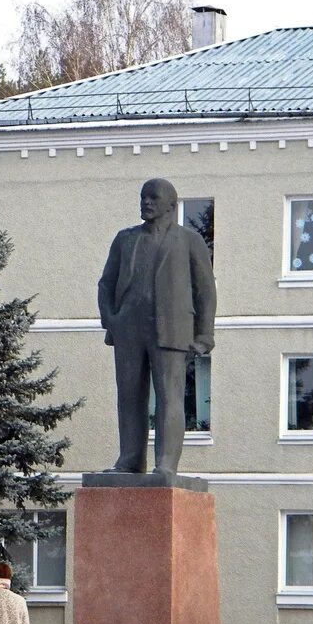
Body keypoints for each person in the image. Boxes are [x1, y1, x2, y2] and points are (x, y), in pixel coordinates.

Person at [97, 178, 217, 476]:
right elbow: (106, 283)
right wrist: (110, 319)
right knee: (129, 397)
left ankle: (165, 464)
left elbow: (205, 289)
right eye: (143, 197)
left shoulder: (189, 240)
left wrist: (204, 334)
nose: (146, 202)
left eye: (153, 197)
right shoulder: (125, 239)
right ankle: (130, 460)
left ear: (171, 206)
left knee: (169, 396)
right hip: (129, 329)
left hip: (172, 330)